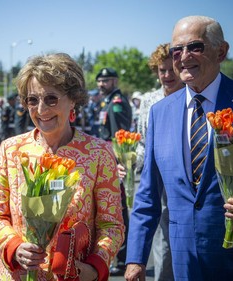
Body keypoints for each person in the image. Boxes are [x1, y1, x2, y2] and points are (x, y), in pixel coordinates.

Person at [125, 15, 233, 281]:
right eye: (176, 50)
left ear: (221, 51)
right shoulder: (159, 112)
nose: (183, 56)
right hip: (183, 261)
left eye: (195, 47)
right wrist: (136, 258)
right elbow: (147, 196)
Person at [0, 53, 125, 281]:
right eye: (32, 100)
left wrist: (96, 265)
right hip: (18, 275)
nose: (41, 109)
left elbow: (111, 225)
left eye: (51, 98)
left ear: (73, 99)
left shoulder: (99, 153)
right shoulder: (11, 150)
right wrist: (14, 247)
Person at [136, 43, 185, 281]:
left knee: (170, 238)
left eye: (170, 70)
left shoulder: (191, 96)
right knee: (157, 234)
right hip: (152, 178)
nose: (166, 75)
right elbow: (141, 141)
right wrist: (131, 160)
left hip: (179, 178)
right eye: (160, 70)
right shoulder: (149, 101)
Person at [95, 67, 132, 276]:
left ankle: (124, 258)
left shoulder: (116, 102)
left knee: (118, 210)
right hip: (106, 158)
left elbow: (120, 136)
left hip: (114, 160)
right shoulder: (107, 101)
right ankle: (119, 257)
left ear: (115, 81)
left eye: (106, 81)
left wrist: (118, 163)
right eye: (100, 81)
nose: (101, 84)